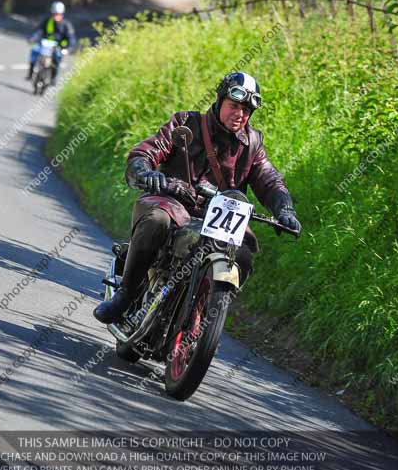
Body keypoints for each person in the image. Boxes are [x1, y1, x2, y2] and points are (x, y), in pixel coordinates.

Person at [94, 71, 302, 324]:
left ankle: (204, 313)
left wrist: (285, 209)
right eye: (234, 105)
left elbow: (270, 179)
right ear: (220, 100)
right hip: (173, 202)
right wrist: (145, 170)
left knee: (245, 253)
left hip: (219, 218)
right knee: (157, 220)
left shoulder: (253, 143)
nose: (240, 114)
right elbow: (147, 150)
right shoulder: (186, 123)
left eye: (246, 110)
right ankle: (125, 295)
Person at [26, 1, 76, 83]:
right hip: (44, 45)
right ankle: (30, 73)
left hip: (58, 47)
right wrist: (32, 39)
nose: (56, 16)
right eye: (55, 14)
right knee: (34, 51)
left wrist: (68, 49)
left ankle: (53, 78)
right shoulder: (47, 21)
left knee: (57, 59)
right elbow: (39, 31)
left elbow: (71, 39)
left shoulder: (66, 25)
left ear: (62, 14)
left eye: (58, 14)